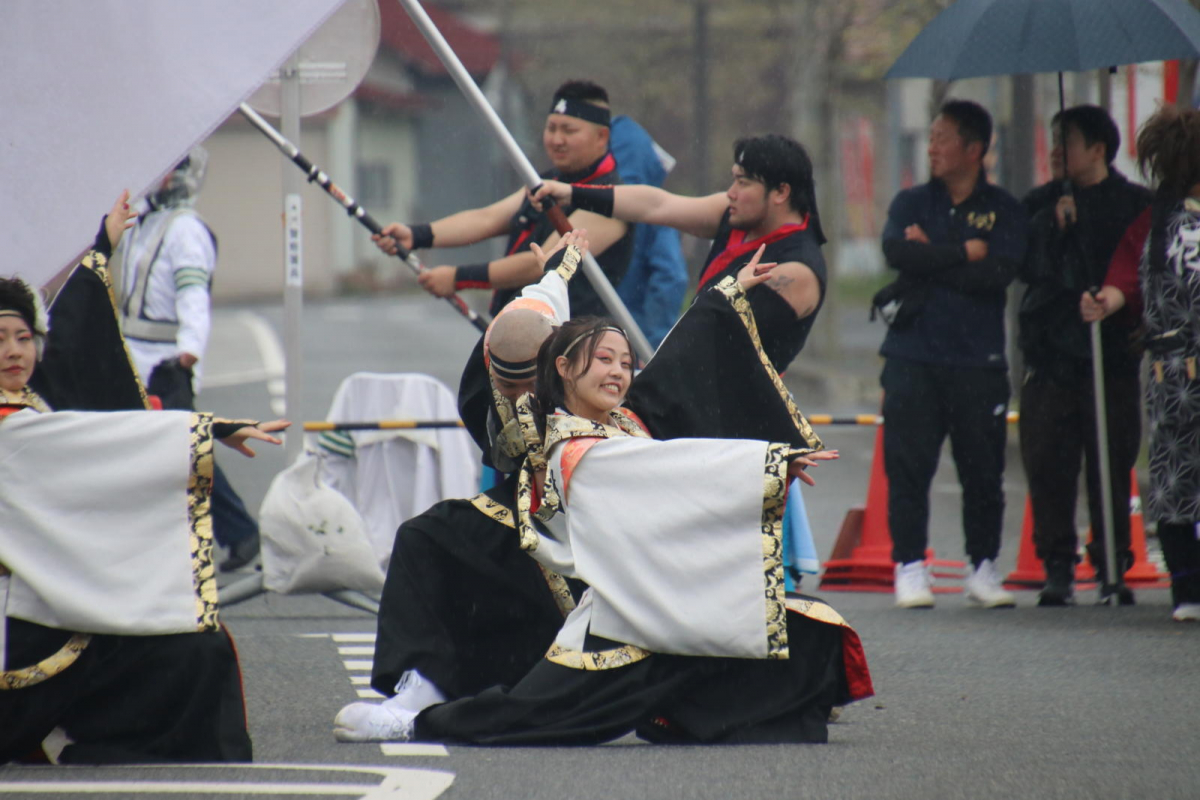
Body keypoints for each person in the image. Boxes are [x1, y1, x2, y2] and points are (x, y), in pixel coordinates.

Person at [335, 249, 872, 747]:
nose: (619, 372)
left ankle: (750, 700)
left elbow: (684, 357)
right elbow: (669, 464)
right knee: (534, 708)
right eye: (603, 360)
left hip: (653, 593)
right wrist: (765, 466)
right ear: (563, 368)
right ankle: (418, 711)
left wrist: (725, 296)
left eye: (624, 362)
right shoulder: (566, 439)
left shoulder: (631, 418)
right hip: (595, 605)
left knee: (807, 627)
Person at [0, 198, 289, 763]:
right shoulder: (14, 427)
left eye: (22, 337)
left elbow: (83, 343)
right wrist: (208, 432)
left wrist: (102, 245)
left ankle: (121, 743)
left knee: (194, 650)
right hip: (20, 619)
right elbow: (105, 443)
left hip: (69, 589)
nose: (12, 351)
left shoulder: (35, 402)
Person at [361, 234, 588, 721]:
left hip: (592, 541)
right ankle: (423, 679)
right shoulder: (509, 343)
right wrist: (556, 264)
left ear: (559, 367)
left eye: (530, 383)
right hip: (519, 516)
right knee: (424, 537)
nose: (518, 395)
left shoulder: (597, 381)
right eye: (506, 384)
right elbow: (538, 297)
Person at [875, 99, 1028, 609]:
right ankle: (910, 566)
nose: (933, 147)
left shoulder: (1004, 209)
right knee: (908, 465)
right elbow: (898, 253)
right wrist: (964, 249)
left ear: (975, 149)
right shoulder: (911, 202)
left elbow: (998, 275)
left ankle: (983, 567)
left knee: (983, 469)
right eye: (932, 136)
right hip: (912, 354)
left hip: (977, 361)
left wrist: (931, 254)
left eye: (943, 138)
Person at [533, 133, 825, 375]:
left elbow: (714, 344)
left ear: (780, 193)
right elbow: (657, 206)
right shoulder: (735, 215)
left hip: (737, 414)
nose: (731, 192)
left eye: (744, 183)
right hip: (694, 391)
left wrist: (650, 372)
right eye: (733, 180)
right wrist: (572, 193)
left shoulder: (798, 270)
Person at [1019, 106, 1151, 606]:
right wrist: (1054, 228)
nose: (1056, 150)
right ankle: (1056, 564)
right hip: (1052, 356)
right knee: (1048, 462)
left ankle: (1113, 564)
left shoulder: (1135, 204)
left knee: (1111, 463)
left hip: (1112, 357)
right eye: (1053, 139)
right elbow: (1026, 269)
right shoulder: (1037, 205)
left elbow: (1138, 272)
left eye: (1067, 140)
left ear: (1098, 149)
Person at [372, 80, 633, 320]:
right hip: (518, 328)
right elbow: (486, 219)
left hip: (572, 342)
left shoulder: (612, 199)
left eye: (569, 130)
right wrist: (416, 235)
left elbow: (540, 263)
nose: (556, 139)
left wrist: (458, 277)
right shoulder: (545, 181)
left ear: (602, 137)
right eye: (551, 128)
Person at [1081, 106, 1200, 622]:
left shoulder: (1155, 226)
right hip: (1183, 360)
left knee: (1173, 479)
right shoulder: (1178, 227)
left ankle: (1187, 591)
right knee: (1179, 476)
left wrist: (1108, 299)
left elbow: (1125, 281)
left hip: (1164, 368)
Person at [115, 147, 261, 572]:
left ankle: (240, 532)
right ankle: (230, 534)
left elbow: (194, 295)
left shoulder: (186, 230)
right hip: (133, 352)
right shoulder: (144, 221)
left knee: (184, 451)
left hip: (166, 360)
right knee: (171, 452)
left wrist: (187, 356)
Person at [609, 115, 688, 348]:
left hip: (618, 337)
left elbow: (671, 277)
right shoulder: (654, 209)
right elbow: (671, 276)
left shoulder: (652, 212)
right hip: (627, 339)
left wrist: (648, 342)